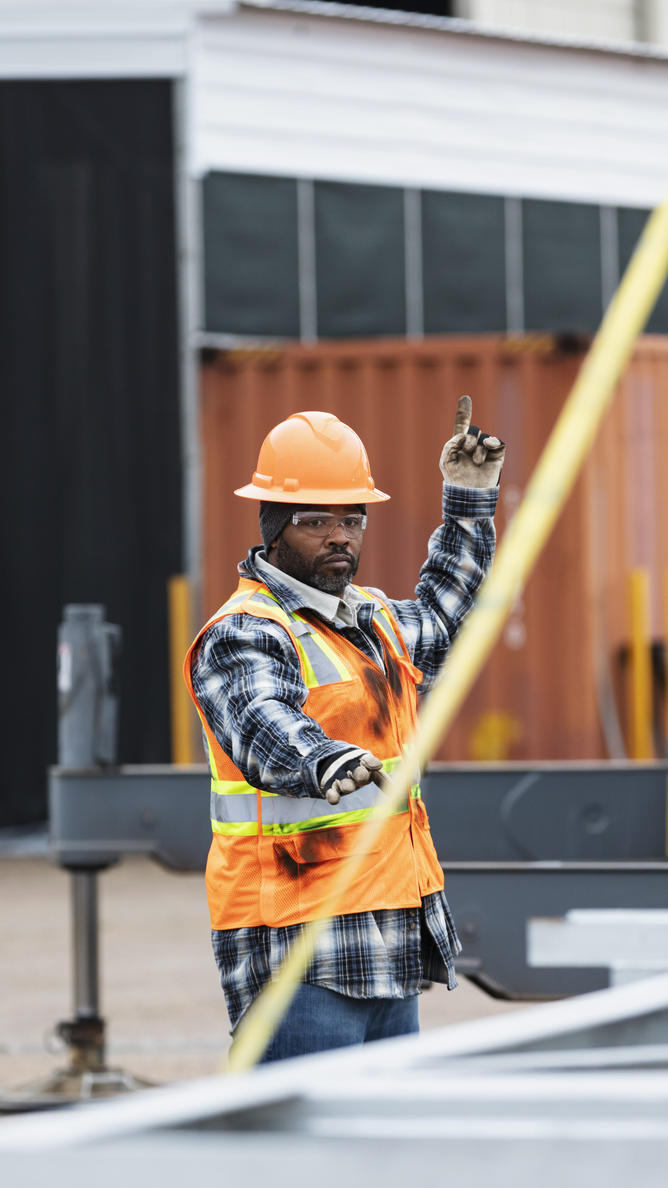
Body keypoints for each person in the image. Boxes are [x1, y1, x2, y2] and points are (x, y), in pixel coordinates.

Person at [184, 396, 503, 1061]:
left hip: (385, 936)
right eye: (313, 521)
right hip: (299, 947)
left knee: (373, 1161)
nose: (339, 536)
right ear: (271, 527)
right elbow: (258, 718)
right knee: (304, 1162)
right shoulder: (244, 631)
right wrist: (320, 758)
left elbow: (446, 618)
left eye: (351, 519)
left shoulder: (372, 620)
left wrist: (467, 503)